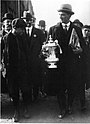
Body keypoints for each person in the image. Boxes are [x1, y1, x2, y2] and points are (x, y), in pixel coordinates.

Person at [48, 4, 84, 119]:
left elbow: (83, 46)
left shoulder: (77, 29)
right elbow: (48, 46)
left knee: (72, 86)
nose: (61, 17)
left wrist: (80, 51)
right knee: (60, 88)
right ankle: (62, 108)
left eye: (63, 15)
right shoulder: (53, 29)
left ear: (69, 15)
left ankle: (69, 105)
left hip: (73, 65)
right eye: (59, 15)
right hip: (58, 64)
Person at [2, 18, 30, 122]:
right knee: (14, 92)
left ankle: (26, 109)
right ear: (15, 28)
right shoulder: (6, 38)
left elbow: (27, 52)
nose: (23, 31)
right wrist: (3, 67)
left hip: (23, 69)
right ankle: (16, 111)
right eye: (21, 29)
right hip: (11, 70)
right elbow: (2, 54)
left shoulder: (23, 37)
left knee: (26, 90)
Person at [22, 11, 46, 102]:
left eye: (29, 20)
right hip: (24, 61)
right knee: (26, 80)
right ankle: (27, 99)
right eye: (25, 20)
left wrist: (40, 56)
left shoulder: (39, 32)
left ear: (32, 20)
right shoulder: (21, 32)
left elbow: (43, 46)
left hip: (36, 61)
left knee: (36, 79)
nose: (27, 22)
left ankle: (36, 96)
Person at [1, 13, 14, 93]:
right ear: (3, 23)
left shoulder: (14, 35)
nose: (9, 24)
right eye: (7, 22)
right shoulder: (0, 35)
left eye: (10, 22)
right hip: (2, 61)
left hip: (12, 61)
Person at [82, 25, 90, 90]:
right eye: (85, 30)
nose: (87, 32)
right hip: (81, 63)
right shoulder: (79, 40)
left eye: (88, 31)